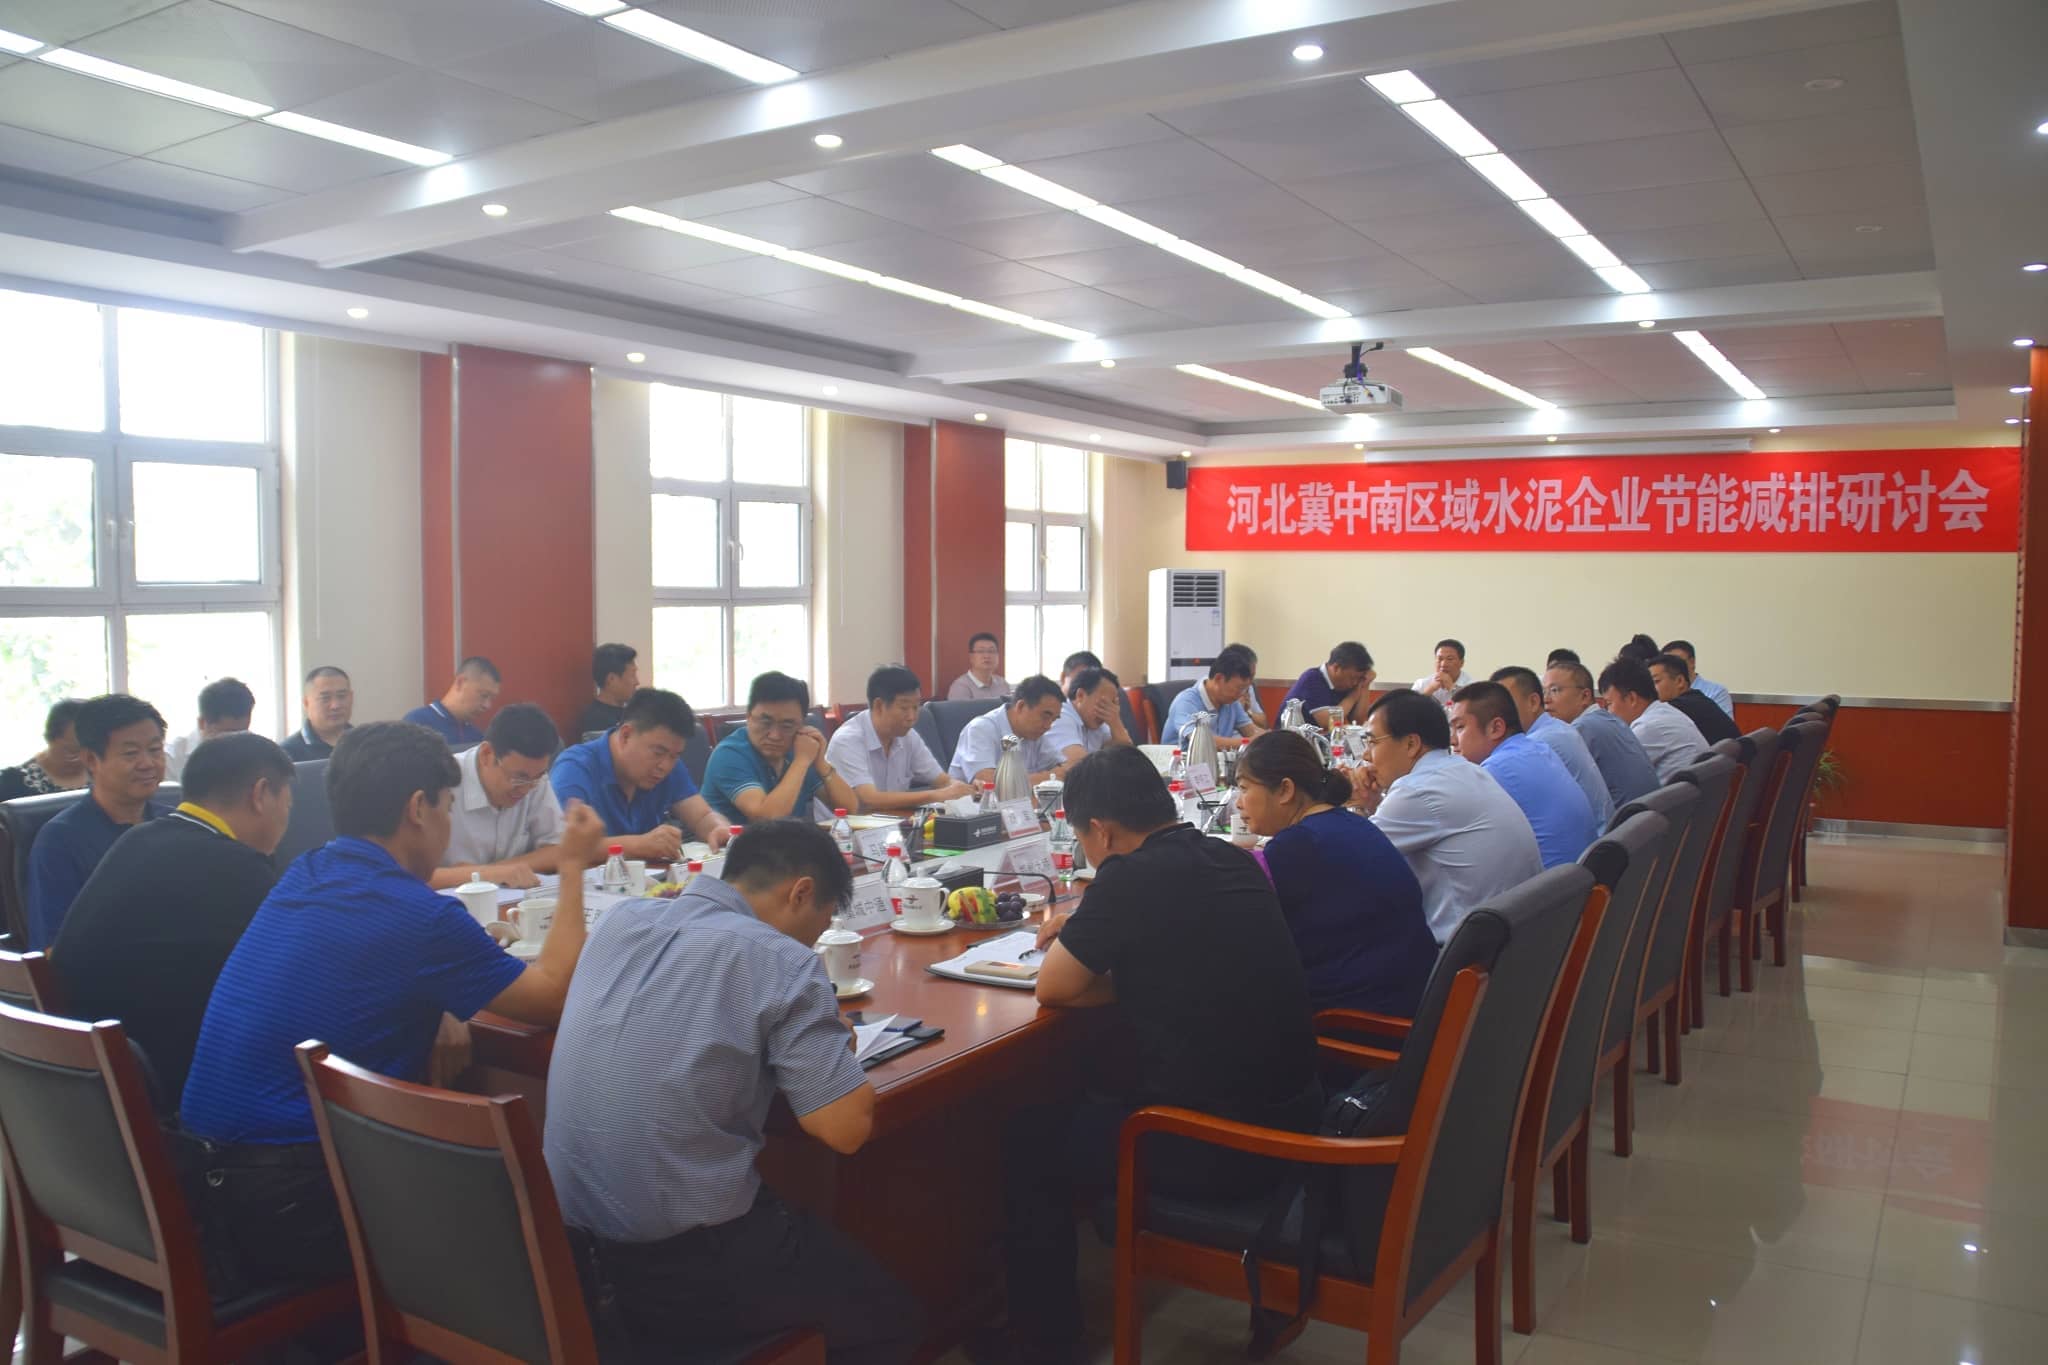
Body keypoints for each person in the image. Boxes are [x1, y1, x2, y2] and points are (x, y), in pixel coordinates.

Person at [177, 722, 608, 1296]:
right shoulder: (419, 917)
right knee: (553, 1226)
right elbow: (553, 997)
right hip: (291, 1197)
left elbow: (357, 972)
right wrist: (572, 867)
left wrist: (441, 1003)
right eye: (447, 807)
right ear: (418, 809)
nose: (448, 825)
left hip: (205, 1178)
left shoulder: (306, 871)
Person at [545, 820, 923, 1365]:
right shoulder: (782, 959)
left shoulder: (619, 920)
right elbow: (844, 1129)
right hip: (683, 1267)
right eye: (819, 926)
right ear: (801, 892)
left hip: (570, 1255)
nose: (812, 942)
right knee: (893, 1319)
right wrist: (833, 1040)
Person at [992, 747, 1320, 1365]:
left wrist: (1092, 943)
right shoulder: (1231, 856)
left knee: (1029, 1141)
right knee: (1093, 1083)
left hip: (1219, 1149)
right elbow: (1181, 961)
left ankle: (1045, 1344)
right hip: (1296, 1119)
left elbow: (1054, 987)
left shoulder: (1129, 877)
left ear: (1101, 831)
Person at [52, 733, 295, 1102]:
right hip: (164, 1090)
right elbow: (292, 977)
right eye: (287, 804)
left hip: (83, 1081)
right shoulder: (238, 868)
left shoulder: (138, 839)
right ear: (260, 795)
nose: (287, 820)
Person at [1234, 731, 1435, 1017]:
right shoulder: (1352, 823)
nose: (1238, 803)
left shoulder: (1298, 845)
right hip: (1412, 1002)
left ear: (1285, 790)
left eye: (1244, 788)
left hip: (1357, 1022)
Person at [1349, 689, 1542, 944]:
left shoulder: (1417, 790)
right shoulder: (1465, 769)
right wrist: (1371, 805)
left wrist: (1351, 803)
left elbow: (1348, 861)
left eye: (1373, 742)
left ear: (1411, 744)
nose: (1366, 755)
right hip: (1516, 941)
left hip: (1464, 953)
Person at [24, 694, 170, 950]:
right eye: (131, 753)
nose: (148, 764)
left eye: (155, 750)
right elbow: (53, 949)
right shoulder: (60, 840)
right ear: (91, 760)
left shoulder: (175, 824)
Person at [550, 687, 733, 859]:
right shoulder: (575, 768)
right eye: (658, 753)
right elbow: (564, 847)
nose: (665, 766)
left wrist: (719, 829)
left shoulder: (667, 764)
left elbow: (702, 817)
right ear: (626, 736)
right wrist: (638, 845)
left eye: (675, 756)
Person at [1448, 681, 1600, 870]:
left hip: (1550, 884)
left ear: (1496, 728)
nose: (1452, 740)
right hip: (1577, 877)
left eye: (1460, 727)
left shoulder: (1496, 768)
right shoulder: (1540, 749)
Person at [431, 702, 566, 890]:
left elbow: (559, 849)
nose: (526, 789)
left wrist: (495, 872)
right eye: (519, 778)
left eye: (536, 777)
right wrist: (489, 874)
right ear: (486, 754)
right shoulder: (440, 781)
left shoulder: (534, 779)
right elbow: (409, 875)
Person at [702, 673, 858, 828]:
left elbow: (849, 808)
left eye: (787, 725)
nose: (775, 735)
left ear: (802, 725)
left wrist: (820, 763)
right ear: (748, 717)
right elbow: (767, 818)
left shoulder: (800, 748)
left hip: (785, 841)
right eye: (765, 722)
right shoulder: (729, 754)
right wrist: (801, 762)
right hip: (732, 843)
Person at [825, 665, 973, 814]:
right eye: (904, 708)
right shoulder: (848, 740)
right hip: (842, 826)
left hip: (890, 822)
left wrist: (962, 788)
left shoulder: (908, 736)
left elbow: (942, 781)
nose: (912, 717)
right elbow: (869, 799)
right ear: (879, 705)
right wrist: (936, 795)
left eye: (916, 707)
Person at [1489, 666, 1613, 828]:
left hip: (1594, 837)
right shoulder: (1558, 727)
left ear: (1533, 702)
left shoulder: (1539, 743)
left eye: (1507, 705)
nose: (1497, 716)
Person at [1543, 661, 1660, 810]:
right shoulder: (1610, 720)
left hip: (1623, 820)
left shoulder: (1581, 729)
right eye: (1544, 692)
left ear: (1585, 696)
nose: (1546, 700)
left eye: (1554, 690)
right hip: (1644, 817)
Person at [1598, 657, 1708, 782]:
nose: (1608, 712)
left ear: (1632, 698)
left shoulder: (1647, 726)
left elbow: (1613, 777)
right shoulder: (1666, 712)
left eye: (1609, 704)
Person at [948, 676, 1065, 785]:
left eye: (1053, 719)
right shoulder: (980, 729)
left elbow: (1062, 770)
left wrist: (1048, 776)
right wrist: (1047, 777)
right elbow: (988, 783)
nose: (1048, 726)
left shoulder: (1034, 734)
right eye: (1045, 716)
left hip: (1022, 800)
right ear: (1021, 706)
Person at [1160, 645, 1261, 749]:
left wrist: (1267, 739)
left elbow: (1251, 731)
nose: (1242, 694)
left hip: (1216, 759)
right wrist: (1248, 742)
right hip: (1182, 759)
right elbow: (1203, 742)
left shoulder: (1231, 702)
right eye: (1240, 688)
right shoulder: (1185, 703)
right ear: (1219, 678)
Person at [164, 677, 255, 781]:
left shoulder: (257, 752)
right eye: (227, 735)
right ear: (202, 724)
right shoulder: (172, 758)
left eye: (243, 733)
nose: (236, 743)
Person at [0, 699, 90, 802]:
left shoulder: (101, 775)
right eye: (72, 751)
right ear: (49, 738)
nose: (82, 758)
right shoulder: (13, 782)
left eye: (91, 751)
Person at [1044, 667, 1132, 772]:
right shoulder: (1060, 716)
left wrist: (1116, 723)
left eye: (1113, 704)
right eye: (1104, 704)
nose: (1109, 710)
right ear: (1080, 696)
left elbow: (1128, 757)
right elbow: (1079, 766)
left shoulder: (1099, 720)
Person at [403, 655, 501, 745]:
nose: (487, 705)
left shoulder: (477, 737)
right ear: (460, 683)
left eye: (491, 699)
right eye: (484, 695)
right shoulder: (417, 724)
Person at [1649, 653, 1741, 746]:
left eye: (1656, 681)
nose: (1650, 688)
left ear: (1680, 681)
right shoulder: (1695, 698)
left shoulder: (1680, 706)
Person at [1279, 641, 1377, 727]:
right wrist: (1353, 696)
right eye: (1352, 678)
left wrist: (1364, 685)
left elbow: (1358, 721)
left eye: (1359, 678)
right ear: (1336, 668)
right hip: (1291, 739)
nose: (1355, 683)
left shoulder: (1346, 683)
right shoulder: (1312, 678)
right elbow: (1328, 722)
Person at [281, 665, 352, 760]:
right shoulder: (287, 752)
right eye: (325, 698)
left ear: (351, 697)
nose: (335, 706)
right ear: (306, 703)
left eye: (341, 696)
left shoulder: (364, 742)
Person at [577, 643, 640, 737]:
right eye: (632, 675)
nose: (637, 682)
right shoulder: (596, 721)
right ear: (611, 679)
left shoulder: (633, 713)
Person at [1662, 639, 1733, 718]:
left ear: (1692, 662)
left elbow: (1722, 724)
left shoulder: (1716, 692)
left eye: (1676, 662)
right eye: (1666, 664)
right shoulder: (1662, 693)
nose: (1671, 668)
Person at [946, 632, 1008, 701]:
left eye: (991, 651)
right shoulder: (960, 687)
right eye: (981, 651)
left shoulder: (1002, 684)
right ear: (971, 657)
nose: (987, 656)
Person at [1413, 638, 1474, 705]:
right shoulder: (1422, 684)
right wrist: (1429, 690)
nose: (1443, 664)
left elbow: (1473, 709)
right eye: (1440, 659)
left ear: (1461, 663)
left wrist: (1452, 688)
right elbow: (1409, 708)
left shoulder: (1473, 687)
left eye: (1450, 659)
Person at [1226, 642, 1269, 729]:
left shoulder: (1248, 688)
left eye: (1252, 676)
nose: (1250, 681)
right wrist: (1237, 710)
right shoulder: (1219, 691)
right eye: (1246, 676)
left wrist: (1247, 712)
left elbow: (1264, 723)